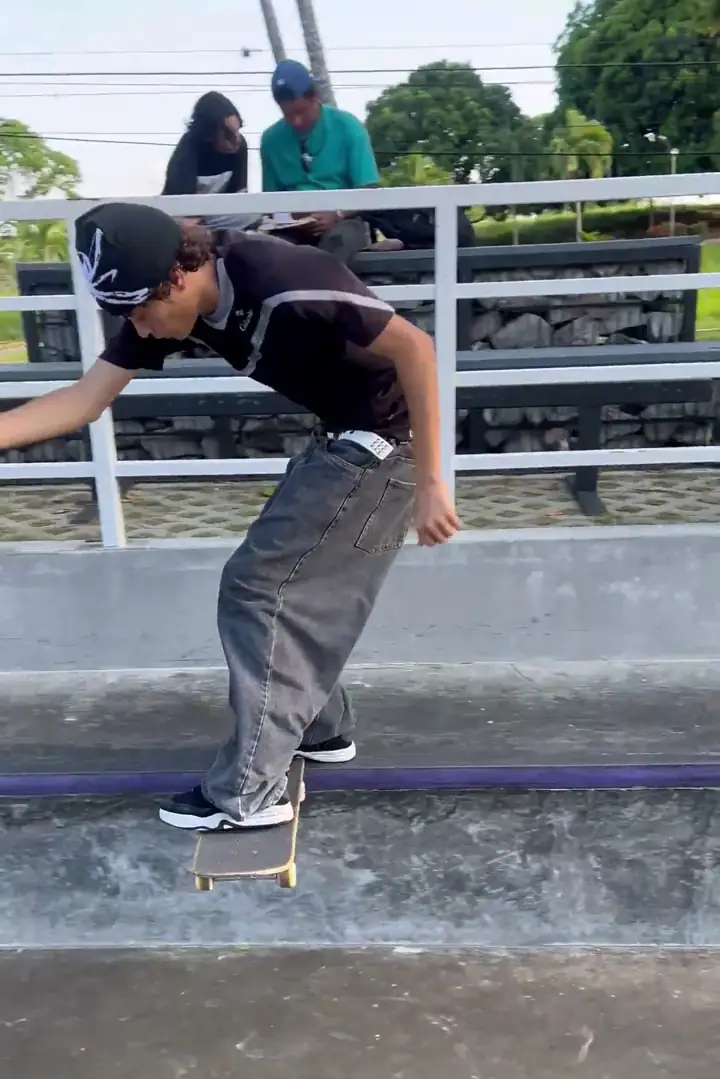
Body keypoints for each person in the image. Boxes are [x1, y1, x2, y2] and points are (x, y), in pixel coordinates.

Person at [0, 202, 459, 831]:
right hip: (345, 437)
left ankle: (248, 793)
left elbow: (416, 348)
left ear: (177, 277)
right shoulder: (165, 296)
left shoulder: (280, 277)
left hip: (386, 444)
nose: (141, 329)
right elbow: (85, 399)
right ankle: (321, 730)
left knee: (258, 589)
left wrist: (434, 482)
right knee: (288, 586)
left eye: (141, 312)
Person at [260, 60, 379, 264]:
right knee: (272, 251)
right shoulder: (270, 140)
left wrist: (337, 213)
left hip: (344, 220)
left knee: (337, 243)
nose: (296, 121)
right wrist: (291, 217)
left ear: (315, 96)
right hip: (293, 226)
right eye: (288, 115)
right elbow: (271, 200)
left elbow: (368, 188)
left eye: (302, 112)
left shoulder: (348, 127)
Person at [162, 91, 256, 235]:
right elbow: (181, 204)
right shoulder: (188, 149)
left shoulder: (240, 147)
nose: (236, 140)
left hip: (216, 216)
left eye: (238, 131)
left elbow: (239, 195)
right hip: (186, 215)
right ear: (208, 134)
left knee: (252, 213)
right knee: (179, 223)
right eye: (228, 134)